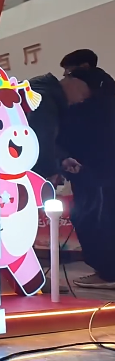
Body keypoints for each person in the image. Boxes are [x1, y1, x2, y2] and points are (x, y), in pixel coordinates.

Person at [54, 67, 115, 288]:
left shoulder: (88, 109)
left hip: (91, 173)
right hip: (97, 172)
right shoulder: (105, 100)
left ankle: (107, 273)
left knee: (93, 220)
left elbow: (72, 137)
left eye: (68, 74)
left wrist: (60, 160)